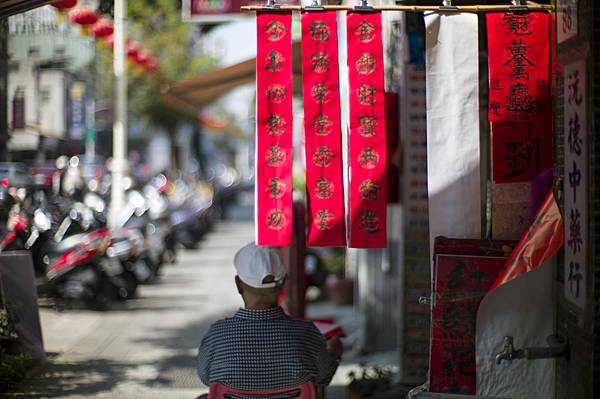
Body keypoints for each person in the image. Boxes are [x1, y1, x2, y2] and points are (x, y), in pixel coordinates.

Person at [197, 242, 342, 394]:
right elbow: (323, 378)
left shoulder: (217, 335)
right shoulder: (306, 333)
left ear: (238, 285)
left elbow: (206, 378)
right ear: (284, 283)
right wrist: (335, 352)